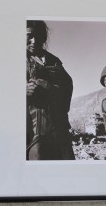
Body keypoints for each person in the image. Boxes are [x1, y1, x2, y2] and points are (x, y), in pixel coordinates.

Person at [26, 20, 75, 160]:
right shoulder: (11, 60)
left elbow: (67, 85)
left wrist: (50, 88)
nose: (34, 41)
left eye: (39, 35)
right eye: (29, 36)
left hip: (57, 127)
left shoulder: (53, 60)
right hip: (32, 129)